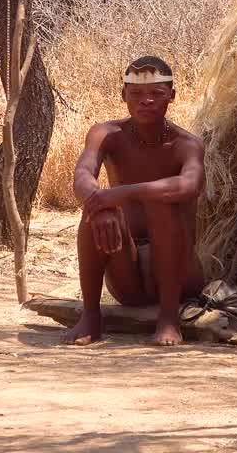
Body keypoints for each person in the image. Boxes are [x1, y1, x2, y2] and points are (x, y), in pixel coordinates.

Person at [67, 56, 206, 346]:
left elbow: (189, 185)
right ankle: (91, 315)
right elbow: (82, 174)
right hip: (126, 273)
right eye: (137, 94)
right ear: (123, 96)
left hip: (179, 275)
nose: (146, 101)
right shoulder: (107, 134)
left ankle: (169, 318)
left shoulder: (186, 144)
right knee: (97, 213)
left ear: (172, 96)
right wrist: (101, 204)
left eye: (156, 94)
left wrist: (122, 193)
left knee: (162, 202)